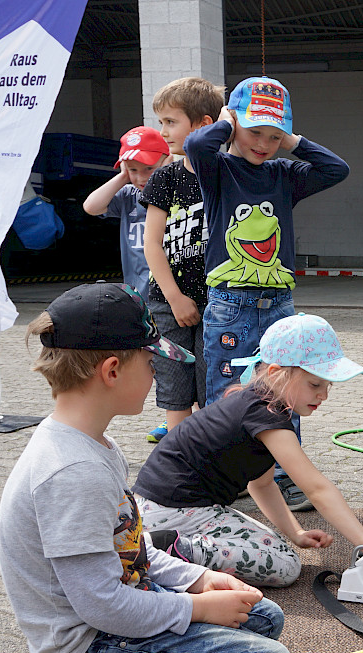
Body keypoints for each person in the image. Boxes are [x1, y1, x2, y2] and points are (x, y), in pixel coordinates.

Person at [0, 283, 292, 653]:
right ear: (112, 370)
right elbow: (102, 604)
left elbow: (133, 545)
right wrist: (195, 608)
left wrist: (196, 580)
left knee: (264, 618)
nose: (156, 375)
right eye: (151, 364)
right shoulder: (72, 471)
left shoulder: (94, 445)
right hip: (92, 643)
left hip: (118, 615)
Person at [132, 313, 363, 587]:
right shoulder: (266, 417)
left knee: (274, 547)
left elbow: (261, 485)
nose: (324, 395)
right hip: (174, 510)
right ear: (275, 374)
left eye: (327, 385)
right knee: (286, 566)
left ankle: (169, 546)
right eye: (315, 384)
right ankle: (165, 549)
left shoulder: (260, 406)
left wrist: (295, 532)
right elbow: (317, 488)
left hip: (162, 507)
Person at [185, 75, 350, 512]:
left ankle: (284, 476)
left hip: (279, 305)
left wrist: (294, 142)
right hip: (230, 303)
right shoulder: (218, 168)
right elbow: (197, 146)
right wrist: (226, 122)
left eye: (273, 135)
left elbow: (336, 169)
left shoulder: (285, 173)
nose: (264, 142)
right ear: (233, 124)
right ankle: (226, 475)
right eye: (255, 131)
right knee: (227, 390)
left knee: (287, 390)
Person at [139, 77, 225, 444]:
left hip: (220, 303)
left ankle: (213, 468)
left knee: (213, 390)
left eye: (171, 122)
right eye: (161, 122)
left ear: (204, 126)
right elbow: (152, 243)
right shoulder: (166, 178)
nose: (163, 131)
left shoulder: (227, 174)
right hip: (166, 302)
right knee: (175, 393)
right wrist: (174, 297)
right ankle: (181, 469)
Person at [82, 126, 170, 294]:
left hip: (171, 293)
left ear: (166, 160)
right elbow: (91, 206)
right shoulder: (129, 196)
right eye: (133, 170)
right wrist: (123, 176)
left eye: (148, 168)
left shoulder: (177, 193)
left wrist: (165, 174)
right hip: (138, 294)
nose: (141, 177)